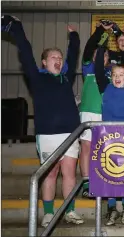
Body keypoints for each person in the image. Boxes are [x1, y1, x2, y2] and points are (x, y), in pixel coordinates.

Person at [2, 15, 84, 226]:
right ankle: (48, 213)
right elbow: (25, 52)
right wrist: (17, 28)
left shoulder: (66, 78)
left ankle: (69, 210)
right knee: (50, 174)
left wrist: (74, 36)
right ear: (44, 62)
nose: (58, 60)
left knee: (69, 174)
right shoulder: (37, 78)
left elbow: (73, 55)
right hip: (48, 135)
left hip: (70, 133)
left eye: (59, 57)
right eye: (53, 58)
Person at [94, 37, 124, 226]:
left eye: (121, 74)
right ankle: (111, 210)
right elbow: (97, 68)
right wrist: (103, 43)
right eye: (115, 74)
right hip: (108, 139)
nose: (118, 77)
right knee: (110, 175)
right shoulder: (106, 87)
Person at [78, 21, 114, 198]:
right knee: (86, 146)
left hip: (107, 113)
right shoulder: (88, 68)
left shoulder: (110, 72)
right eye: (98, 54)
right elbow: (89, 47)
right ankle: (86, 182)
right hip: (88, 111)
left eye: (105, 56)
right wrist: (101, 31)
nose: (101, 58)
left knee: (104, 148)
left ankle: (103, 179)